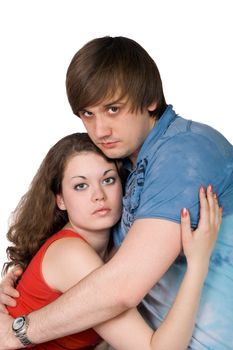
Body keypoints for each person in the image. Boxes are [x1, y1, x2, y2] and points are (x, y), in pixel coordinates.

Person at [0, 36, 232, 349]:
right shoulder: (125, 161)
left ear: (150, 99)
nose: (99, 131)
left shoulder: (183, 154)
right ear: (60, 199)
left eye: (113, 108)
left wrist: (17, 331)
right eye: (87, 113)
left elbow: (121, 288)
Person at [0, 132, 221, 350]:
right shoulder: (70, 254)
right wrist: (199, 262)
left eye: (108, 180)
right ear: (60, 200)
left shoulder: (113, 250)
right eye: (81, 186)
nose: (99, 195)